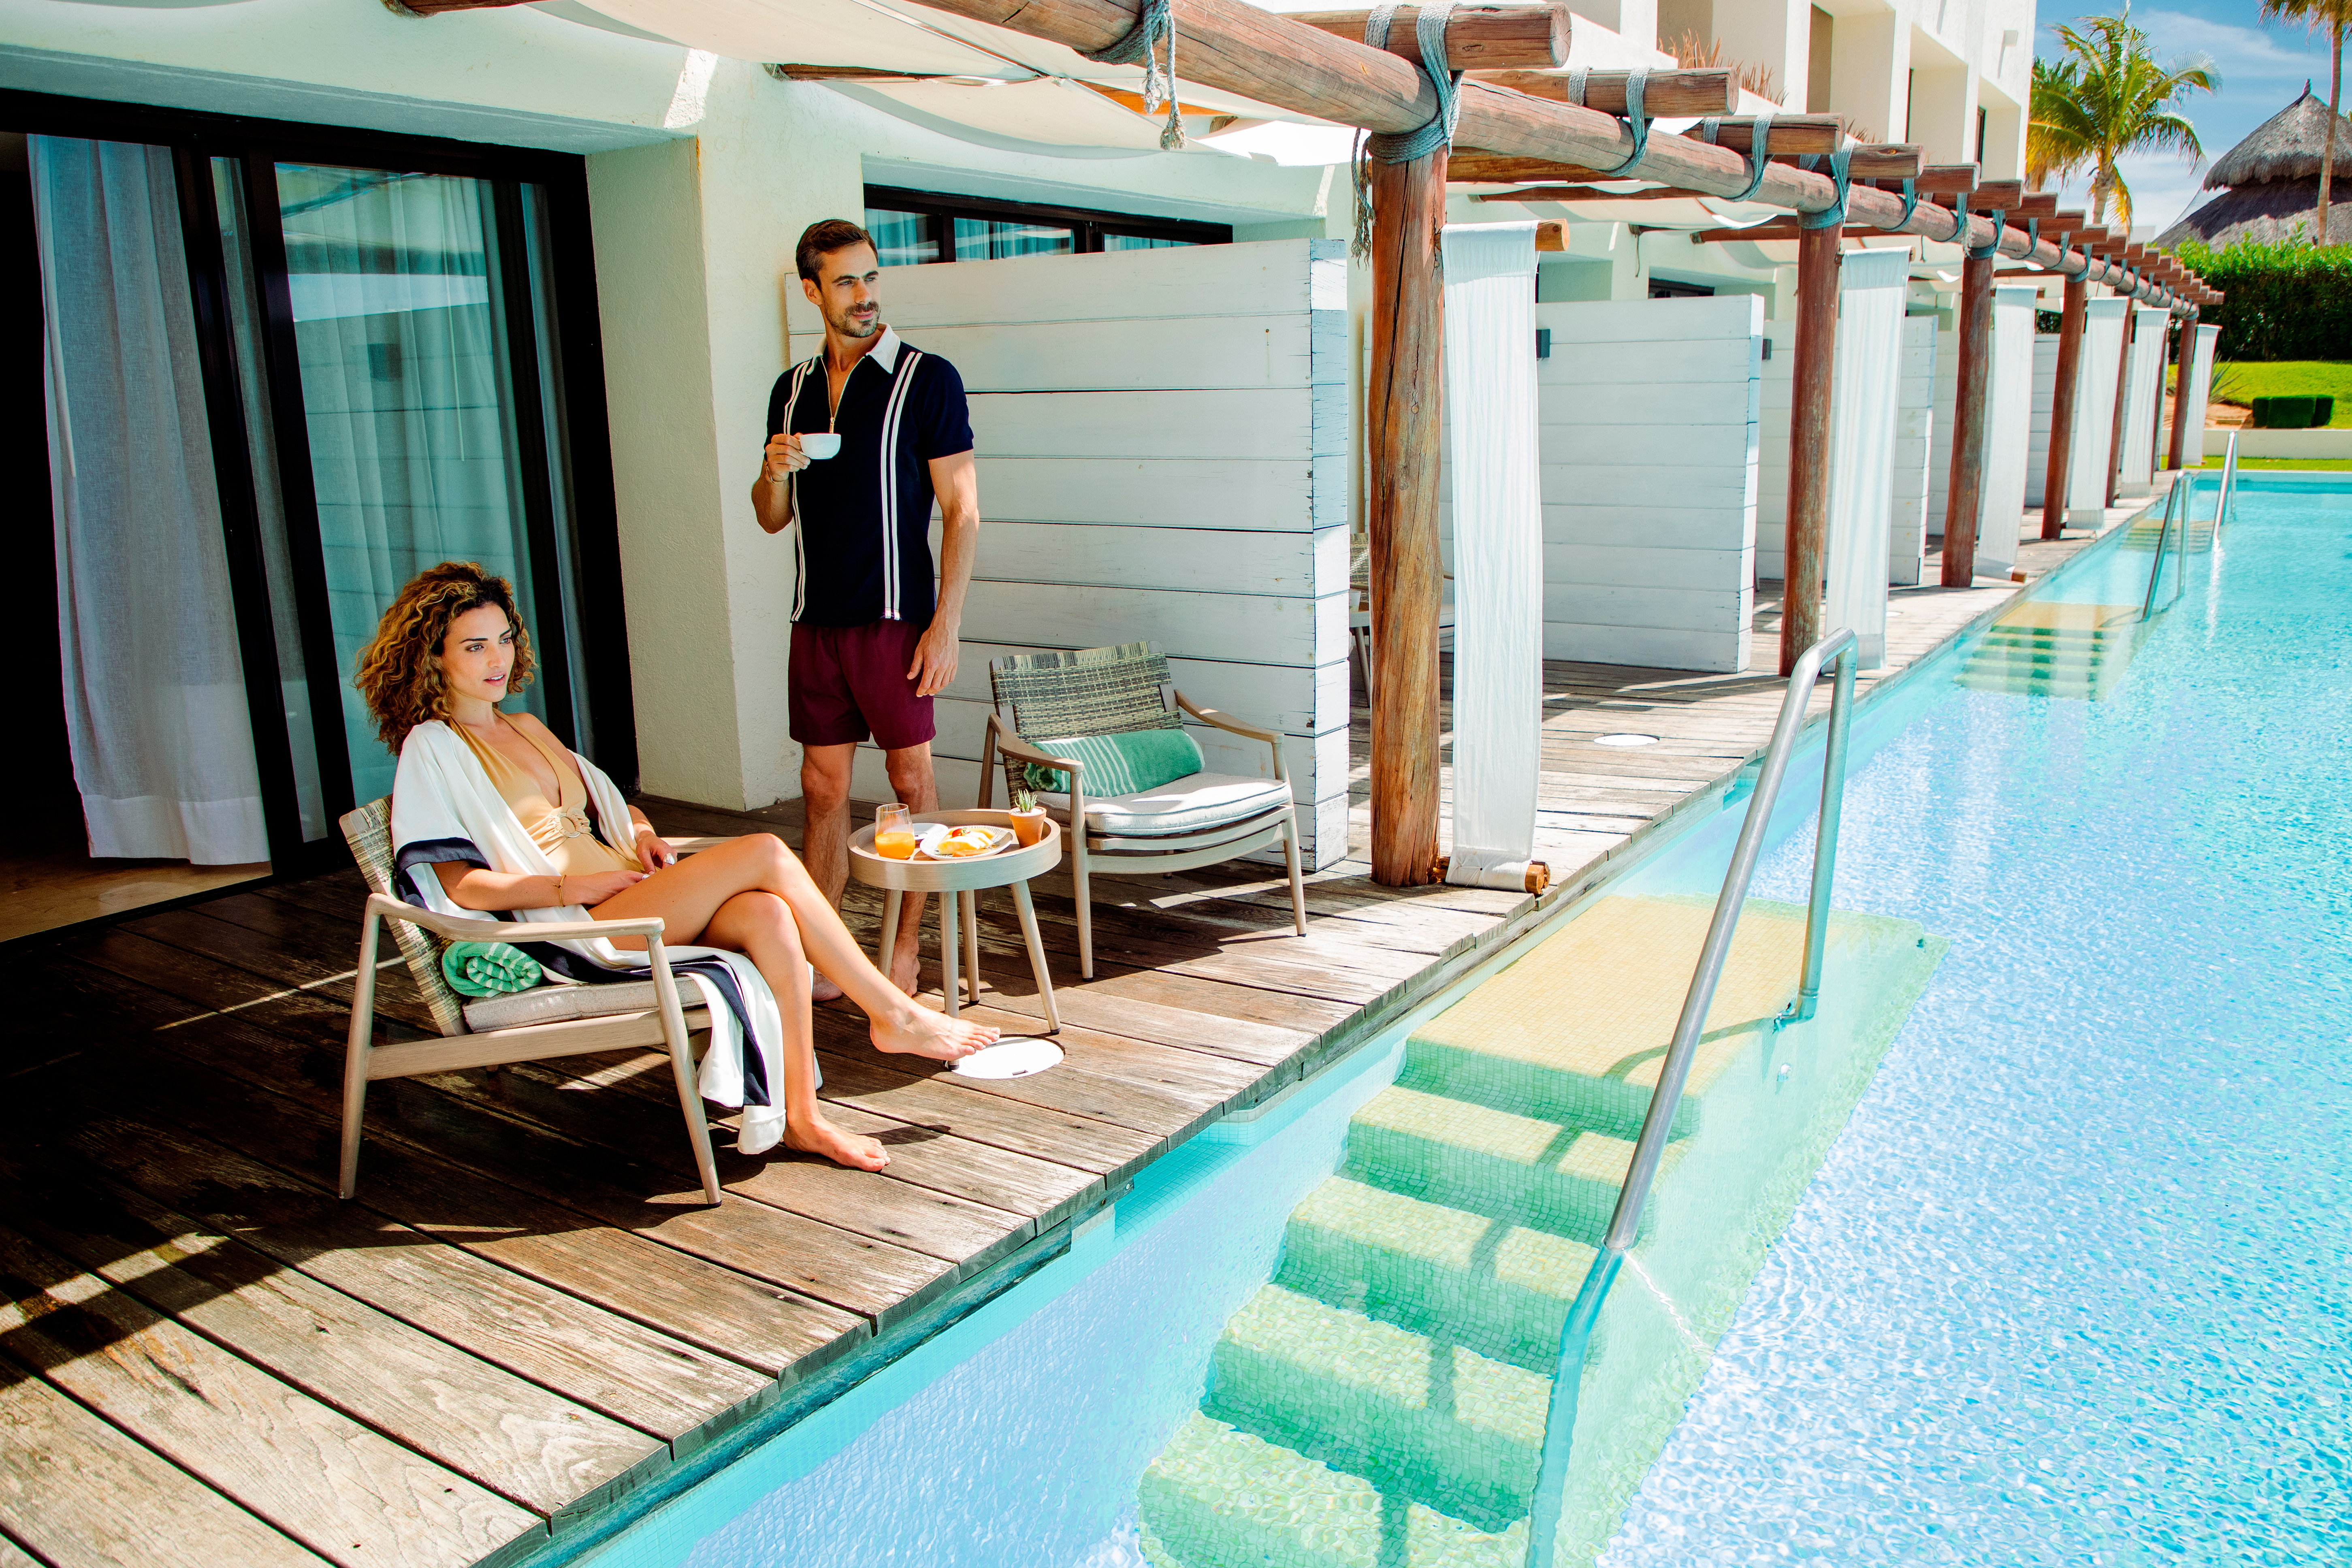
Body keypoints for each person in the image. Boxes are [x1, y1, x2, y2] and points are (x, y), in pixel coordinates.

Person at [357, 561, 996, 1173]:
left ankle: (802, 1117)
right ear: (432, 657)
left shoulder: (525, 726)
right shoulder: (433, 748)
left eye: (502, 639)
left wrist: (641, 835)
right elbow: (458, 885)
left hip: (630, 894)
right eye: (473, 647)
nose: (496, 659)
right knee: (767, 853)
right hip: (573, 925)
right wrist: (575, 885)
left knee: (770, 914)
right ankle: (891, 1012)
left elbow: (611, 805)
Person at [753, 218, 980, 998]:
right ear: (812, 290)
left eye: (871, 278)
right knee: (822, 790)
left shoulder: (928, 379)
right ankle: (824, 952)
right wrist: (776, 469)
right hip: (814, 621)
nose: (864, 295)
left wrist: (944, 625)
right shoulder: (790, 389)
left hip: (896, 620)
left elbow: (963, 511)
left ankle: (906, 948)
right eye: (846, 281)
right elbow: (772, 517)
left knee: (912, 782)